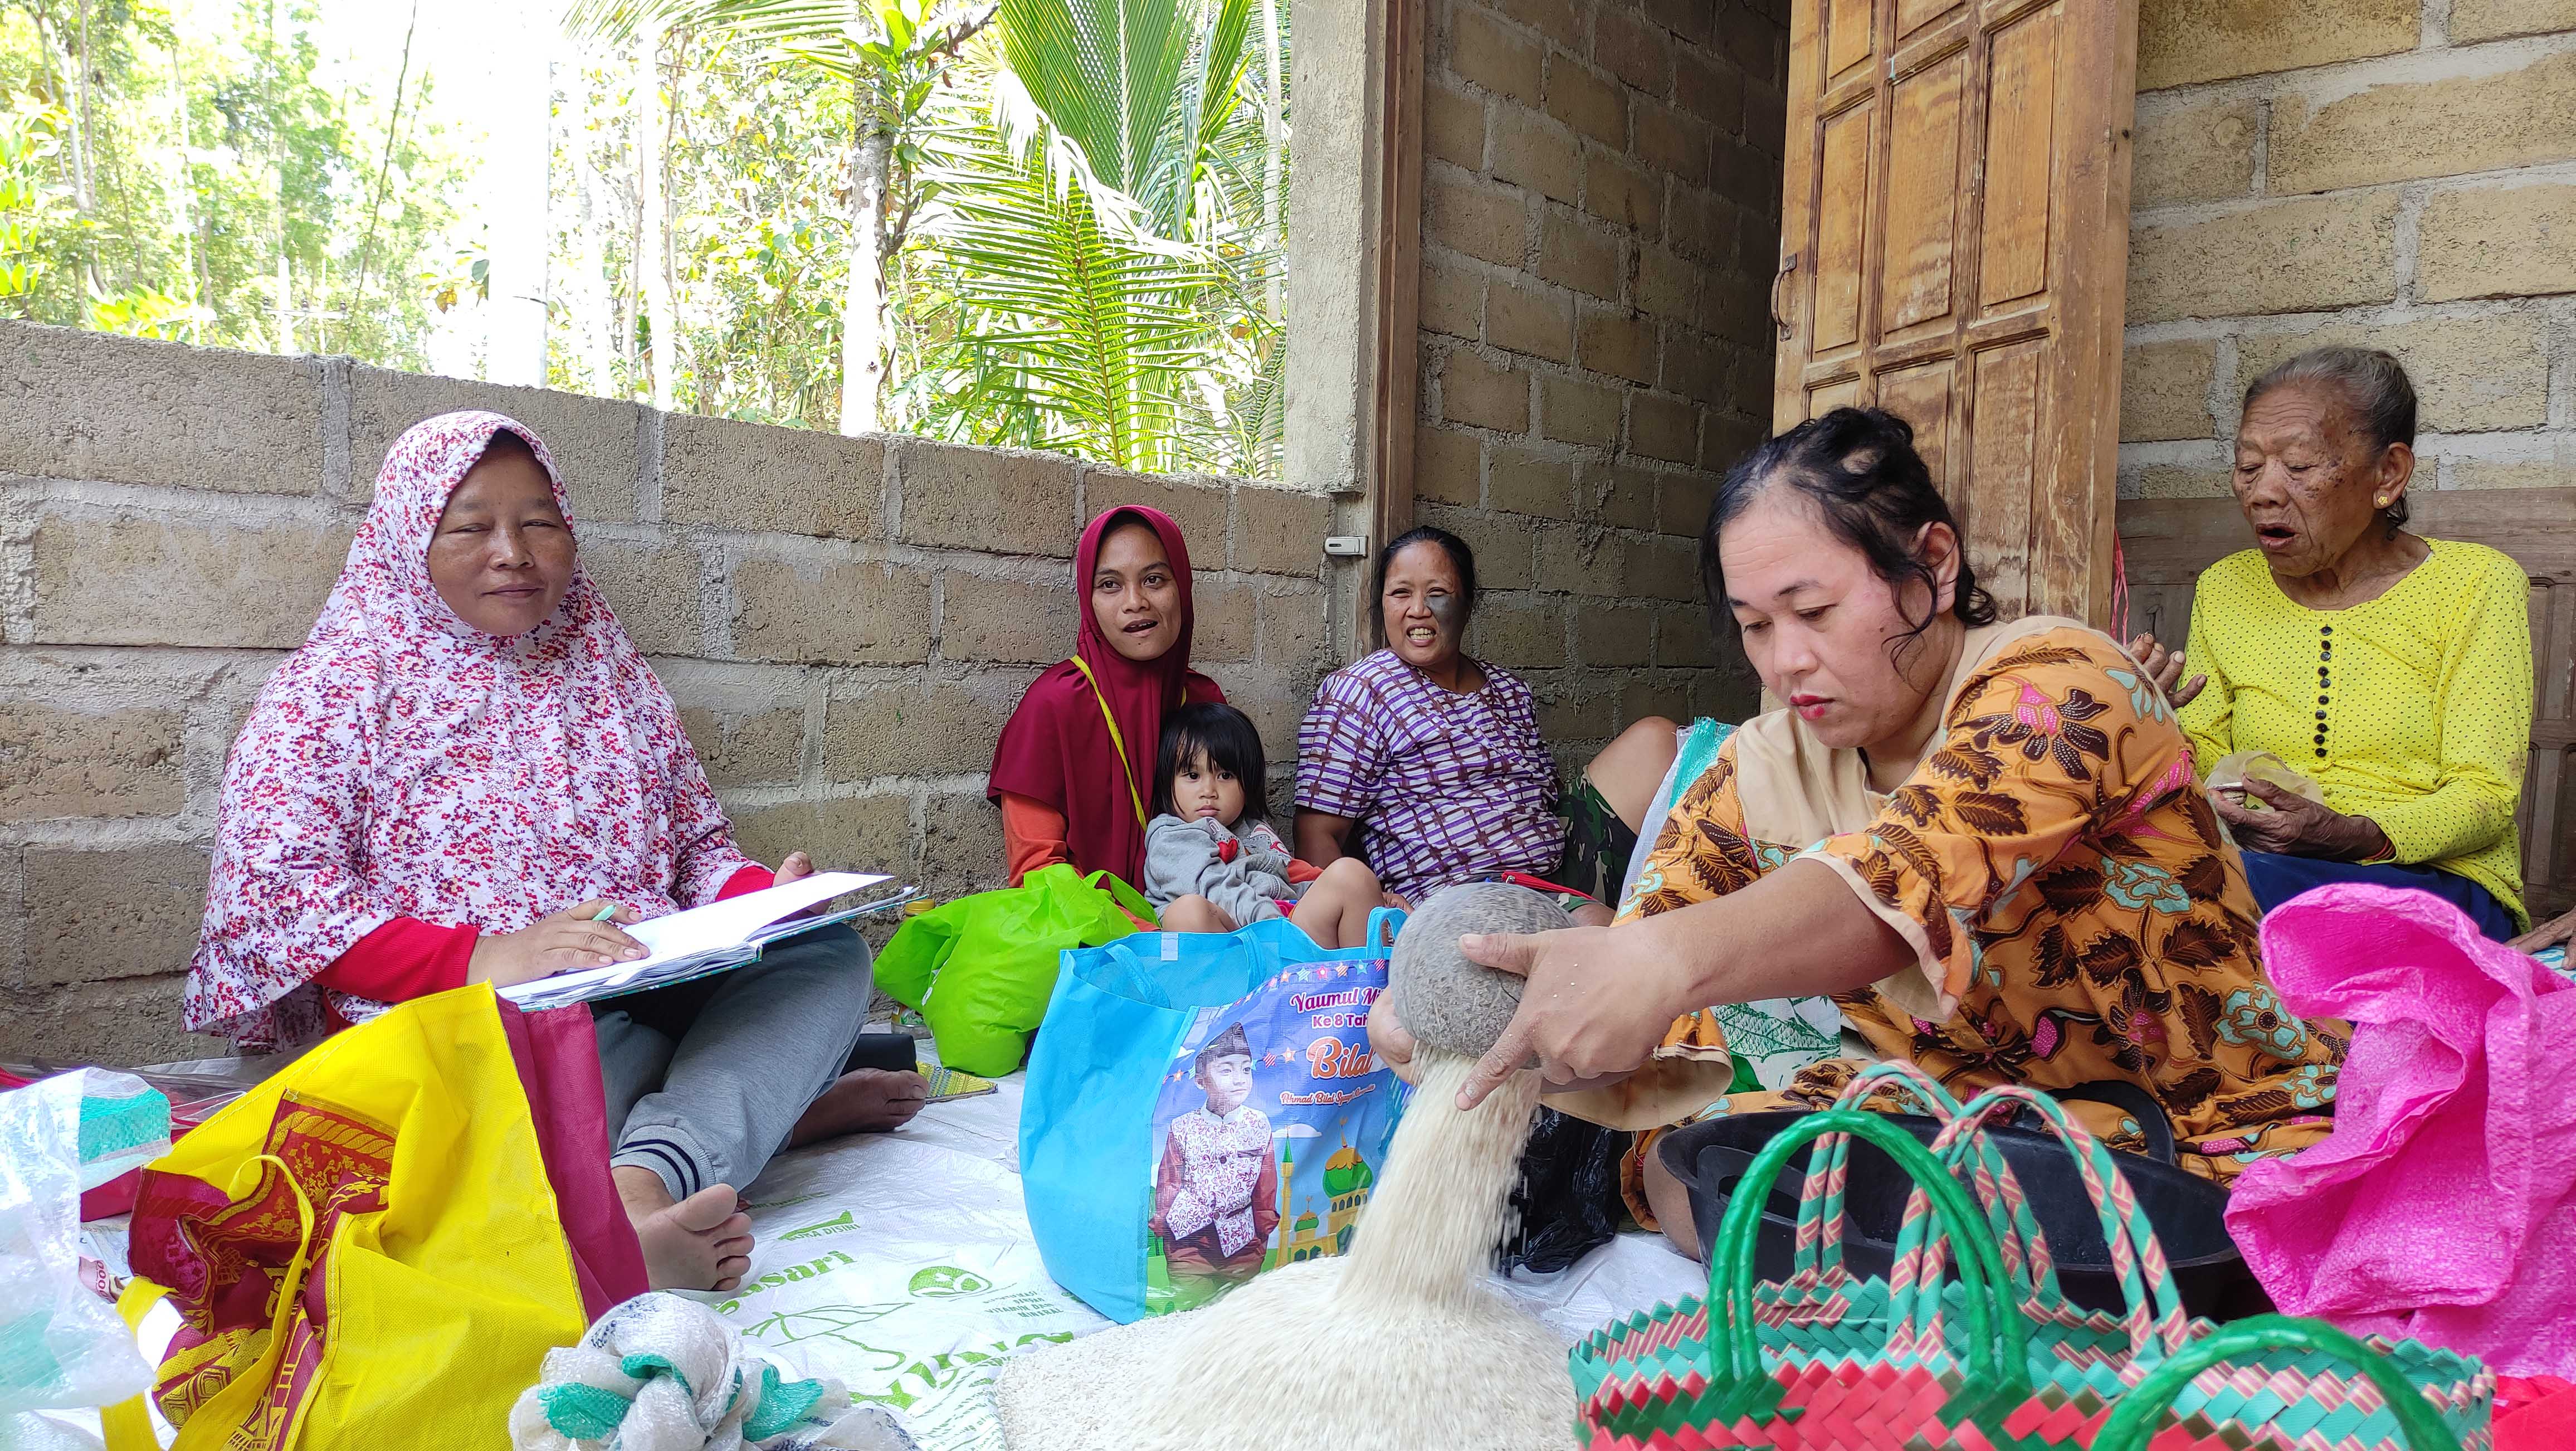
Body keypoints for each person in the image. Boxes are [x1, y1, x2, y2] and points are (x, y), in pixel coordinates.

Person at [1370, 408, 2346, 1259]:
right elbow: (1649, 951)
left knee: (1884, 1224)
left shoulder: (2062, 684)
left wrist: (1658, 963)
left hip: (2188, 1132)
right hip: (1938, 1127)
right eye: (1754, 625)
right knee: (1690, 1163)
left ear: (1930, 561)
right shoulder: (1759, 768)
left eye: (1813, 610)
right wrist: (1505, 1025)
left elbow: (1897, 881)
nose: (1784, 659)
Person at [185, 412, 924, 1295]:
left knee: (826, 957)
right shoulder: (339, 685)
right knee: (563, 1078)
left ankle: (638, 1183)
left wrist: (765, 896)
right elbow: (275, 900)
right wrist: (488, 956)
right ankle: (747, 1124)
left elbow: (696, 846)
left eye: (540, 522)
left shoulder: (606, 669)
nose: (513, 552)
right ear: (404, 539)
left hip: (645, 984)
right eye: (469, 526)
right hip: (477, 1033)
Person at [2128, 347, 2533, 940]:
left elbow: (2485, 794)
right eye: (2247, 467)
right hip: (2256, 862)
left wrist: (2357, 832)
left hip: (2430, 881)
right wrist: (2149, 723)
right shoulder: (2225, 587)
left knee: (2196, 893)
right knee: (2113, 866)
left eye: (2298, 466)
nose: (2262, 493)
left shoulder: (2476, 584)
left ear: (2387, 476)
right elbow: (2208, 748)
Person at [1292, 527, 1681, 926]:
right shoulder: (1359, 692)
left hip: (1552, 871)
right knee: (1596, 938)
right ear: (1383, 603)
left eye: (1437, 593)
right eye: (1401, 593)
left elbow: (1543, 798)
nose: (1418, 609)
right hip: (1457, 892)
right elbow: (1317, 835)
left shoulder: (1509, 690)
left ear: (1467, 604)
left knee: (1657, 739)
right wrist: (1369, 914)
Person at [990, 506, 1224, 894]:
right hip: (1094, 938)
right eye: (1110, 585)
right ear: (1089, 599)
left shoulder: (1202, 699)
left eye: (1154, 580)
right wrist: (1140, 933)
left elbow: (1242, 834)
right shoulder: (1054, 706)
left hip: (1208, 925)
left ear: (1181, 587)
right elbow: (1040, 873)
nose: (1135, 602)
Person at [1143, 702, 1391, 948]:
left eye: (1225, 776)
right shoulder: (1172, 837)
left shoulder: (1252, 830)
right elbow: (1212, 889)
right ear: (1168, 781)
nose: (1208, 791)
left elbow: (1292, 881)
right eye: (1193, 776)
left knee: (1351, 874)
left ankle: (1364, 981)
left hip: (1285, 930)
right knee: (1188, 912)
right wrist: (1273, 925)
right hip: (1238, 948)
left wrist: (1363, 898)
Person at [1150, 1022, 1279, 1302]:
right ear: (1200, 1081)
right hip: (1188, 1240)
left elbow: (1265, 1185)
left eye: (1246, 1069)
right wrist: (1167, 1227)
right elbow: (1169, 1181)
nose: (1239, 1079)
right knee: (1189, 1306)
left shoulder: (1259, 1124)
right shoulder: (1182, 1126)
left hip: (1241, 1241)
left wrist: (1260, 1235)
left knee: (1237, 1312)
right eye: (1226, 1070)